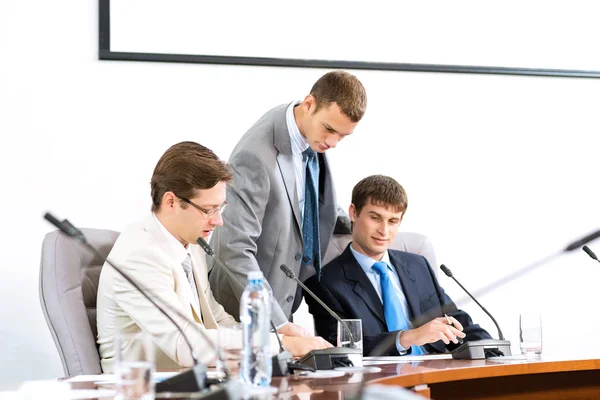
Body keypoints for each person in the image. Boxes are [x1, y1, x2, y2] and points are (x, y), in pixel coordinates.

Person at [96, 141, 331, 372]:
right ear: (171, 201)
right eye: (208, 210)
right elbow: (186, 345)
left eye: (221, 207)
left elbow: (217, 320)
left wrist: (272, 336)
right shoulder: (139, 256)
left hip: (193, 381)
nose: (218, 221)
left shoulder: (192, 245)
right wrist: (280, 345)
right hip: (141, 389)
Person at [208, 71, 367, 336]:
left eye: (342, 136)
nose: (333, 143)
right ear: (309, 104)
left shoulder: (305, 132)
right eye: (329, 130)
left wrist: (361, 222)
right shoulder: (256, 155)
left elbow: (306, 201)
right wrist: (277, 323)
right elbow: (233, 246)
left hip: (285, 301)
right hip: (244, 313)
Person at [304, 175, 492, 356]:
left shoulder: (418, 265)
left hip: (435, 372)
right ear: (353, 213)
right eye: (375, 218)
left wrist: (494, 349)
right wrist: (408, 338)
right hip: (377, 381)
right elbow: (338, 347)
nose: (384, 231)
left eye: (393, 221)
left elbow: (455, 321)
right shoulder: (324, 282)